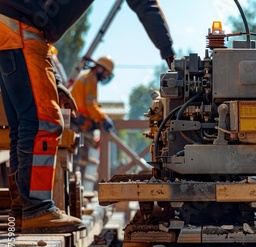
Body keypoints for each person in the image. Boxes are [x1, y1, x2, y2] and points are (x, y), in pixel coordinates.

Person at [0, 1, 175, 233]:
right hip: (21, 30)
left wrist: (58, 84)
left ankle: (22, 209)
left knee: (22, 127)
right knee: (43, 125)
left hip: (11, 27)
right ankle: (37, 209)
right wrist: (169, 53)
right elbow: (146, 4)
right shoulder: (89, 79)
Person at [70, 55, 116, 188]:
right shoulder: (91, 79)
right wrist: (103, 117)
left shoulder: (87, 76)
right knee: (76, 158)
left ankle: (74, 188)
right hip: (77, 122)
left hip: (77, 120)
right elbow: (90, 105)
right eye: (107, 72)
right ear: (101, 69)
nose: (106, 76)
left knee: (76, 157)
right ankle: (73, 189)